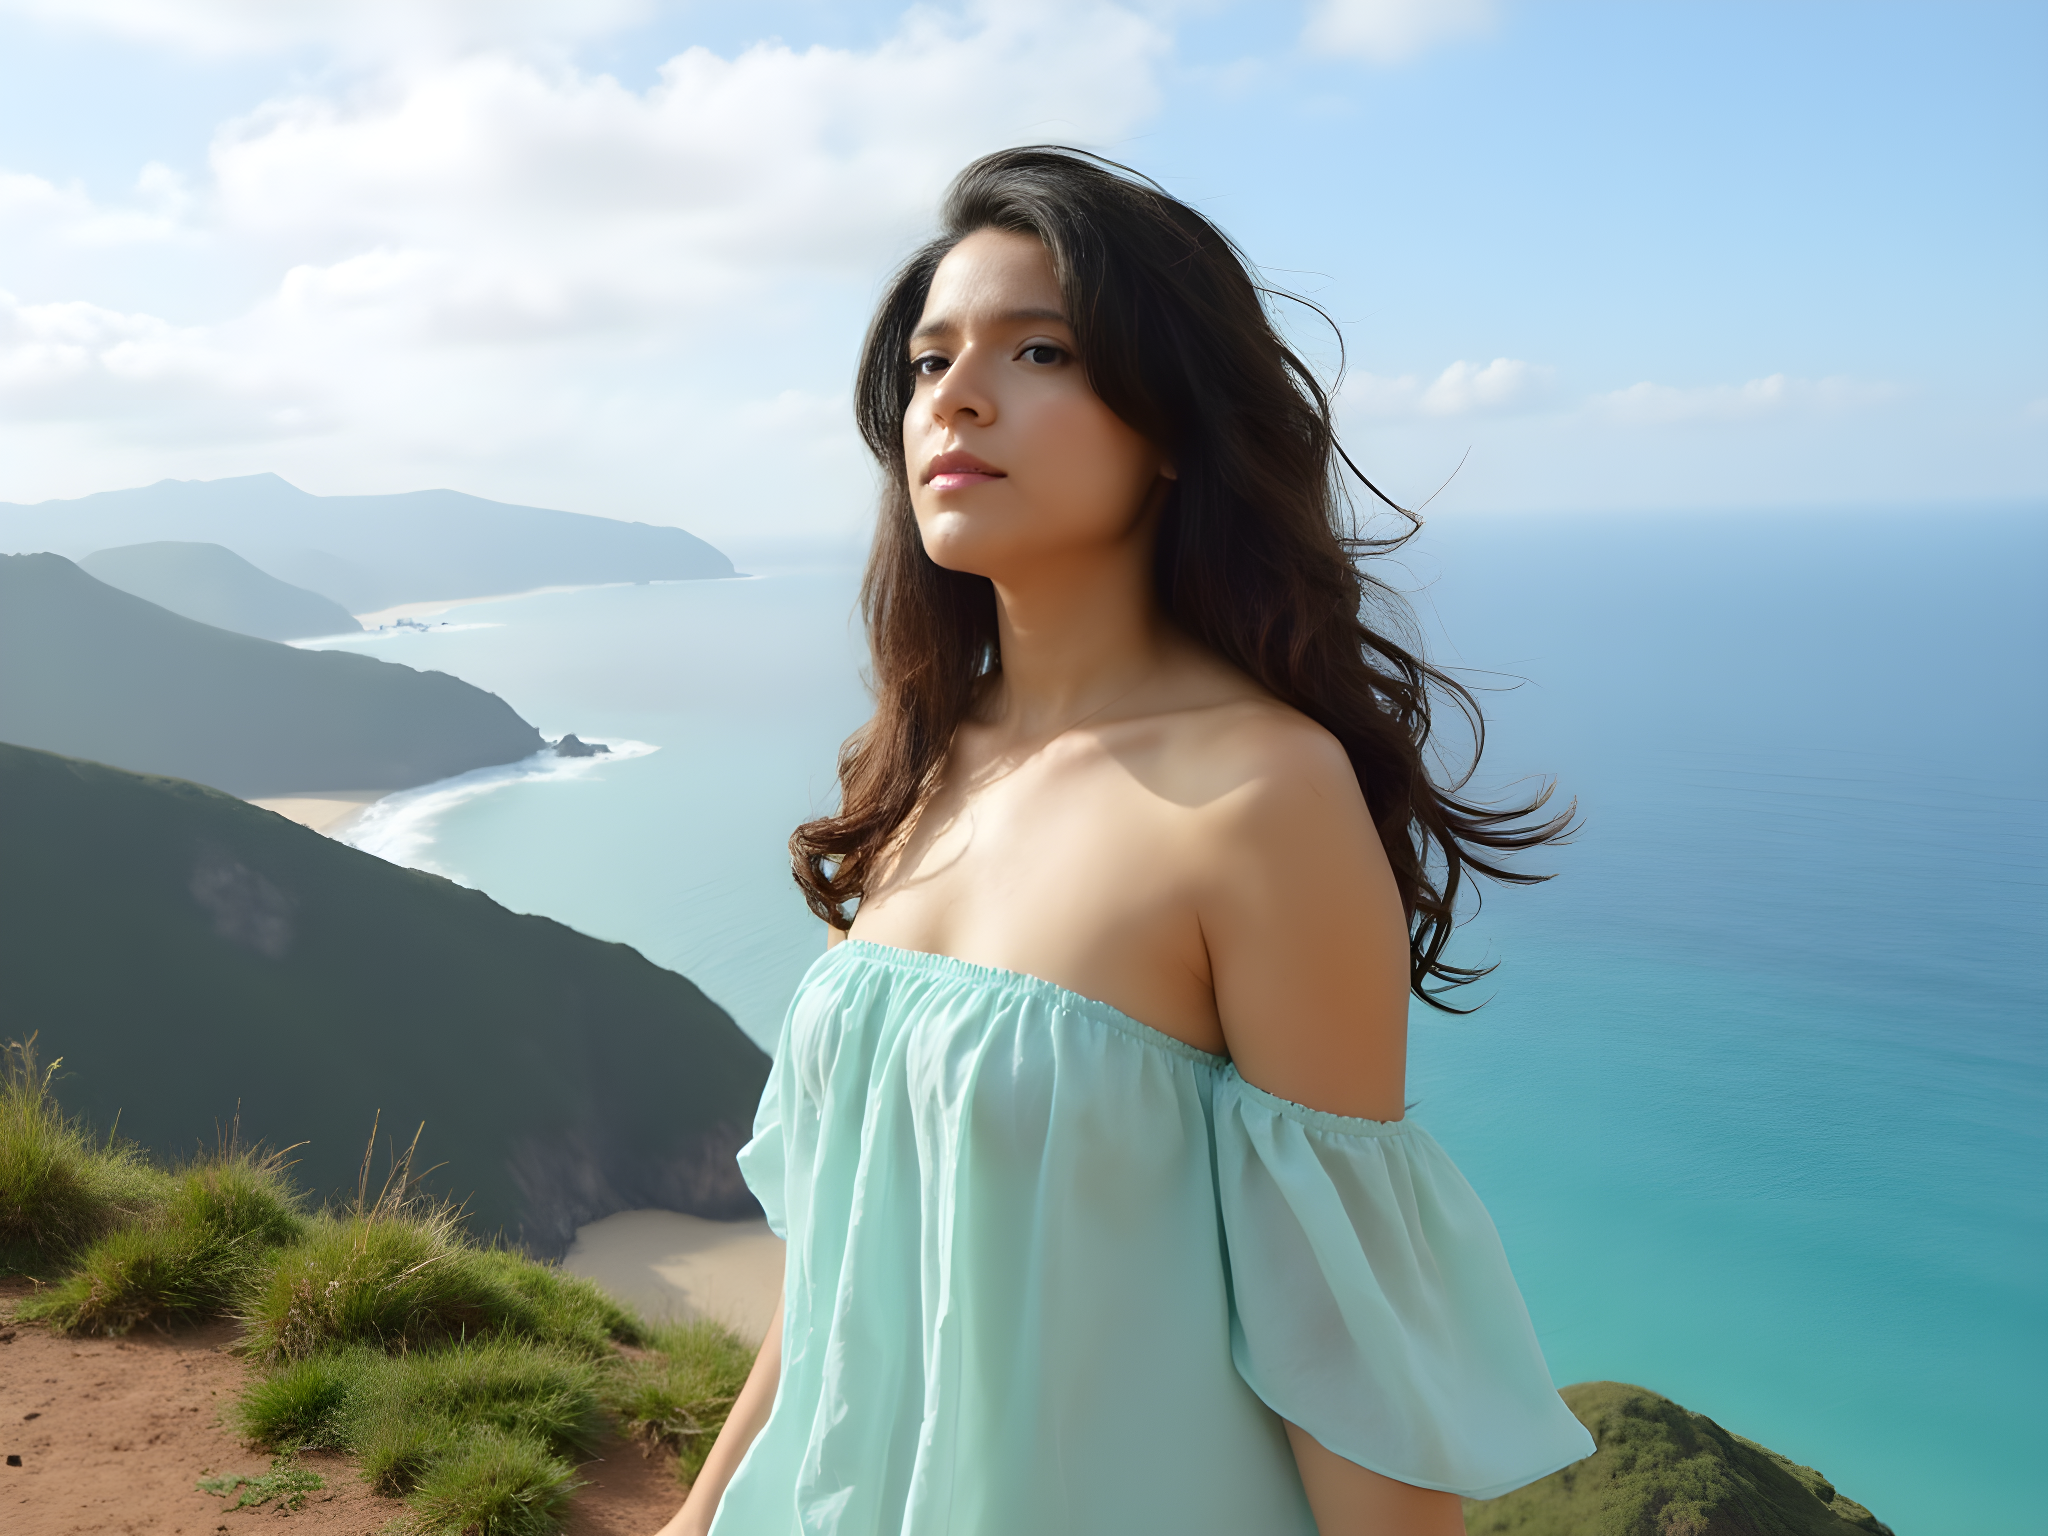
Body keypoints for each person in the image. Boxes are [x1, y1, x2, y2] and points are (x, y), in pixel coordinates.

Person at [656, 146, 1593, 1536]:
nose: (956, 396)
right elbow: (844, 1270)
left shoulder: (1264, 797)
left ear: (1171, 426)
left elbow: (1348, 1364)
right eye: (929, 362)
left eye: (1040, 351)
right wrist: (697, 1518)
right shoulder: (927, 759)